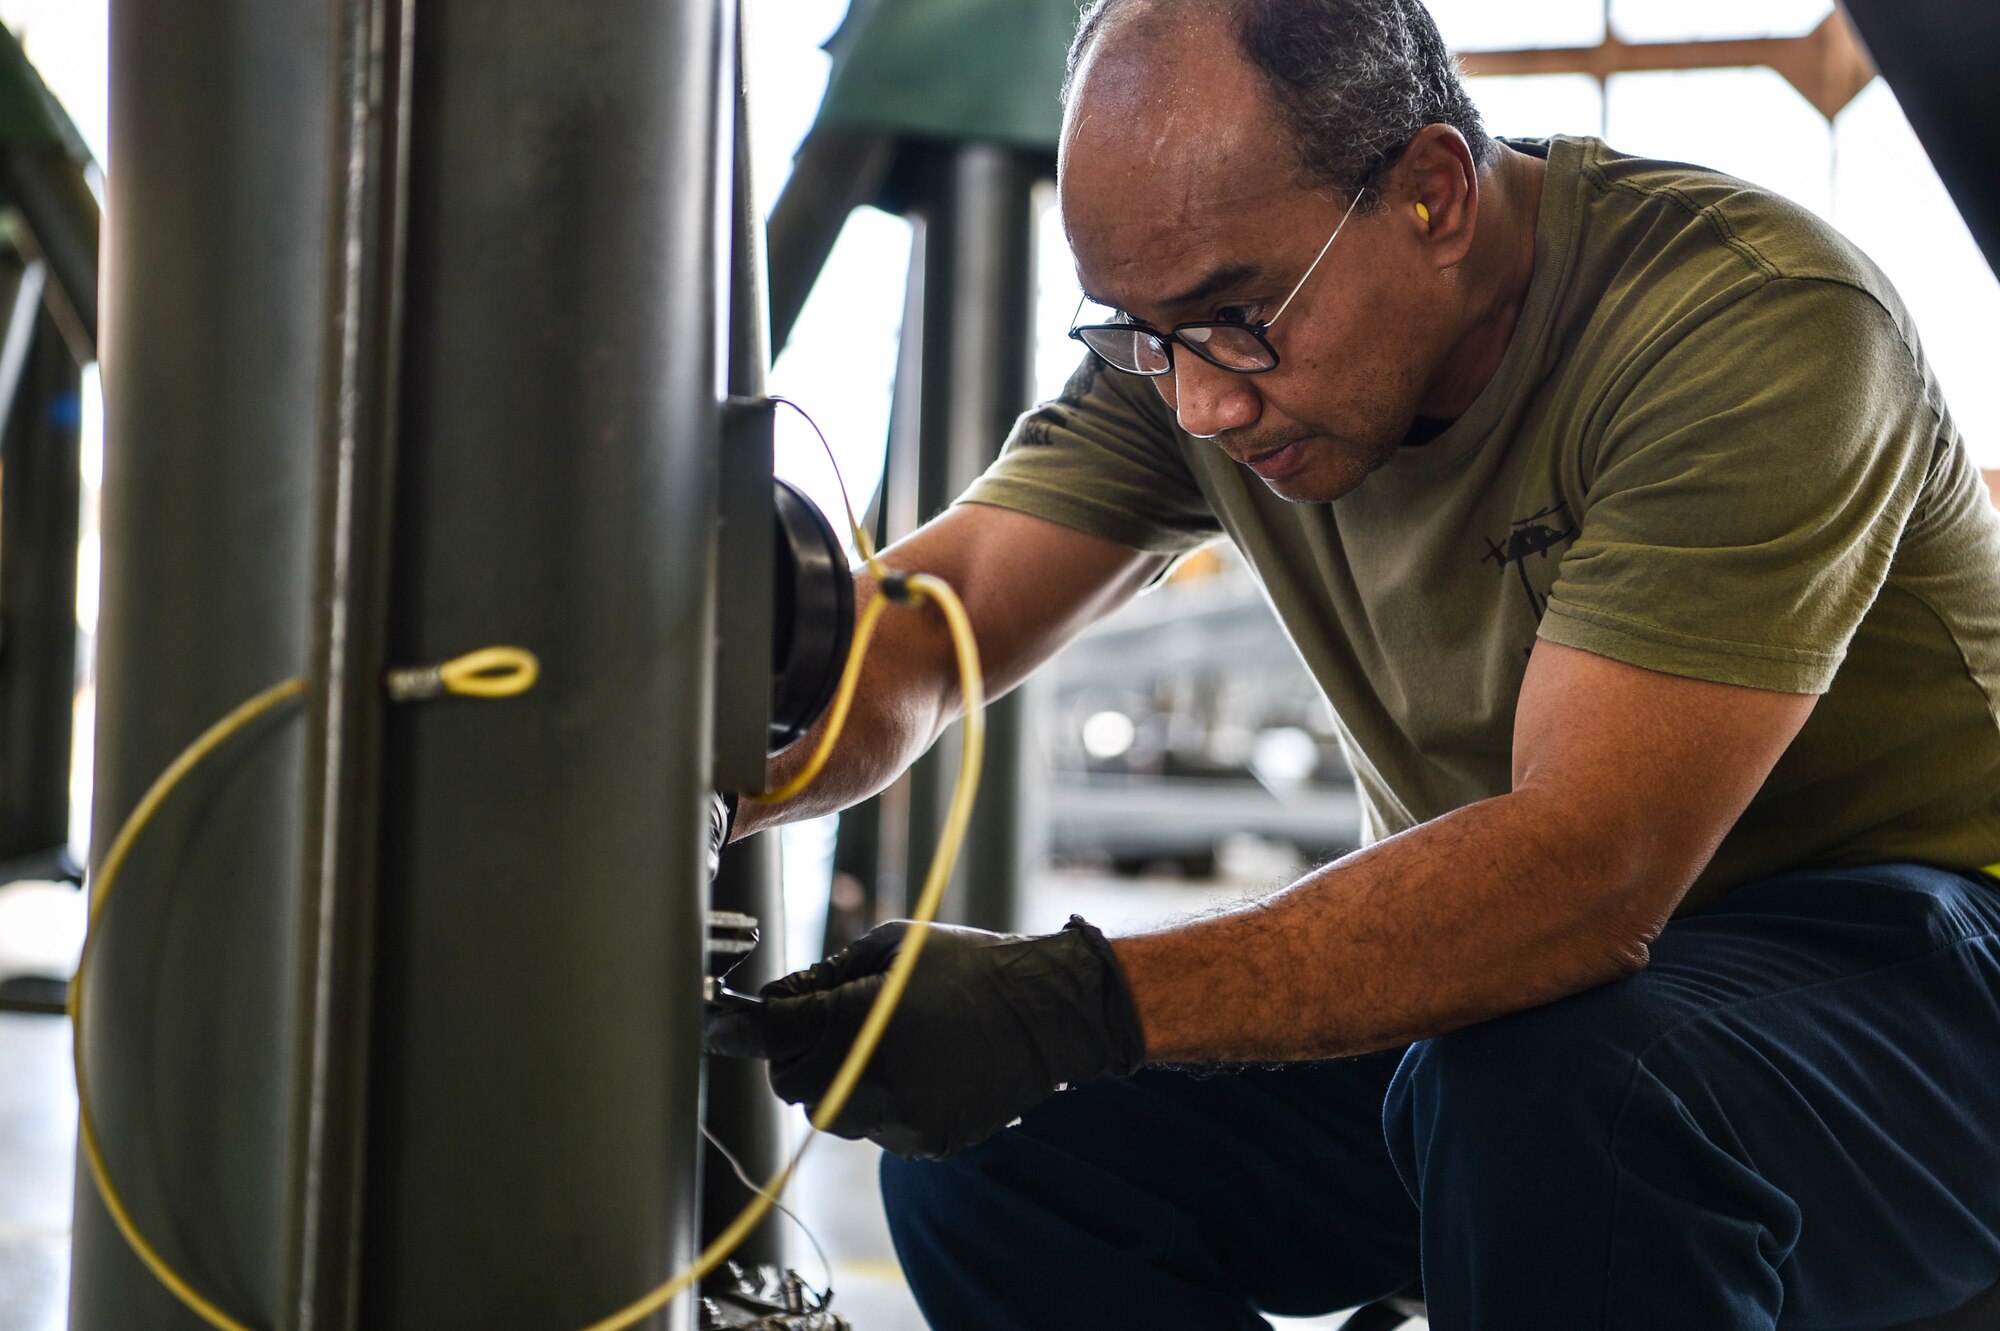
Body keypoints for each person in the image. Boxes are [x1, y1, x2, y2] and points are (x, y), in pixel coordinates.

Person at [710, 0, 2000, 1325]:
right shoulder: (1194, 357)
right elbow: (935, 620)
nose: (1202, 400)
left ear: (1434, 195)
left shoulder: (1743, 324)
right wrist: (684, 777)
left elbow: (1583, 876)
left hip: (1931, 982)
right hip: (1529, 1015)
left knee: (1559, 1087)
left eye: (1232, 315)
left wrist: (1074, 1000)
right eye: (1142, 335)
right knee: (1000, 1141)